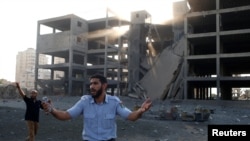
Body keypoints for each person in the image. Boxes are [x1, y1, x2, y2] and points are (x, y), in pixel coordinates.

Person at [42, 74, 152, 141]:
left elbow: (130, 116)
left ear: (104, 86)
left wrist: (140, 111)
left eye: (95, 83)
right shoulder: (84, 101)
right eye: (90, 84)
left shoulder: (115, 102)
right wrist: (52, 110)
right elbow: (66, 115)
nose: (91, 87)